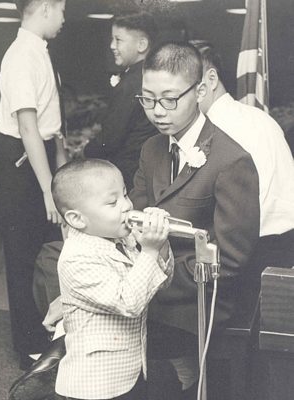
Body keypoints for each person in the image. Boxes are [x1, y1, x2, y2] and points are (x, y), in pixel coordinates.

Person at [129, 42, 260, 399]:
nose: (157, 111)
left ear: (200, 91)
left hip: (199, 295)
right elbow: (136, 223)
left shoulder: (232, 160)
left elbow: (230, 259)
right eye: (147, 99)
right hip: (155, 281)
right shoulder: (152, 149)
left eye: (169, 99)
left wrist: (151, 280)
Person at [51, 159, 174, 400]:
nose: (127, 206)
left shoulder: (120, 239)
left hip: (128, 372)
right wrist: (148, 251)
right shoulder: (76, 259)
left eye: (125, 195)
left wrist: (161, 245)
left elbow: (159, 283)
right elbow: (129, 302)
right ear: (77, 219)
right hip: (93, 386)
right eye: (112, 202)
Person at [0, 0, 67, 369]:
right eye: (63, 10)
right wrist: (46, 188)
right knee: (22, 254)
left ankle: (46, 331)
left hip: (38, 150)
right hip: (21, 158)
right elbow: (27, 127)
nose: (65, 18)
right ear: (47, 8)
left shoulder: (38, 50)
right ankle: (30, 346)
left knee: (40, 250)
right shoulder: (21, 54)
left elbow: (48, 124)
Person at [195, 42, 294, 277]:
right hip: (286, 240)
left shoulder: (216, 130)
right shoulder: (259, 117)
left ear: (211, 79)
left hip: (254, 248)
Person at [84, 12, 158, 191]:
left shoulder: (131, 84)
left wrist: (85, 152)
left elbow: (110, 139)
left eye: (118, 40)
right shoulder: (150, 75)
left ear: (141, 45)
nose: (112, 46)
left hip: (128, 173)